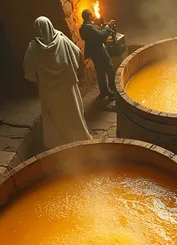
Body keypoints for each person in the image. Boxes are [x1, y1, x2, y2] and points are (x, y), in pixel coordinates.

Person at [23, 16, 92, 150]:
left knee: (55, 115)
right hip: (68, 87)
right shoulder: (61, 39)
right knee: (73, 112)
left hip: (49, 91)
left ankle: (58, 141)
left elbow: (28, 70)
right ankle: (79, 137)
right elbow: (77, 53)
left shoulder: (33, 48)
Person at [79, 9, 118, 99]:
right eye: (91, 14)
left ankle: (104, 91)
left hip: (93, 52)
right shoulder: (89, 28)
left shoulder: (84, 27)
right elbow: (101, 37)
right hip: (99, 52)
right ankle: (114, 90)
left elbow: (95, 35)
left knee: (100, 72)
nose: (93, 15)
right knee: (109, 69)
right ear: (88, 16)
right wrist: (108, 28)